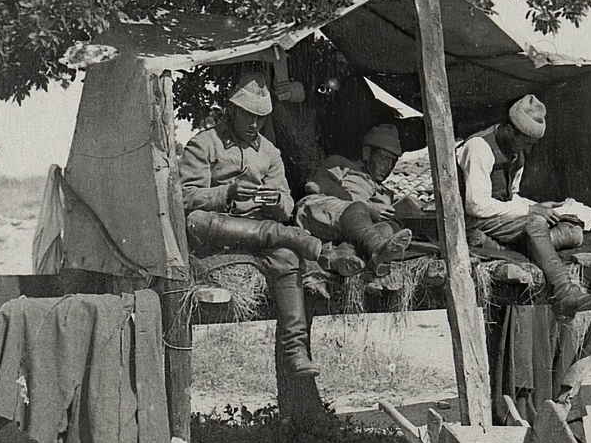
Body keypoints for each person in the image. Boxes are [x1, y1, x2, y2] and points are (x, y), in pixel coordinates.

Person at [179, 69, 324, 376]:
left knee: (286, 257)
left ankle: (296, 349)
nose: (255, 124)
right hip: (216, 231)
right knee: (196, 221)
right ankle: (281, 236)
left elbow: (286, 205)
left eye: (261, 118)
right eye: (248, 115)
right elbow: (185, 198)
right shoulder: (204, 144)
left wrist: (276, 202)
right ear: (232, 109)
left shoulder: (270, 152)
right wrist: (225, 193)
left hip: (260, 235)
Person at [455, 94, 591, 315]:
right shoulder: (479, 147)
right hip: (475, 220)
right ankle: (565, 293)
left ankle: (500, 247)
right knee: (536, 224)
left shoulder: (517, 155)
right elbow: (476, 205)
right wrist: (530, 211)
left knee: (574, 231)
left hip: (499, 219)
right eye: (525, 142)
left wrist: (539, 205)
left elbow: (511, 197)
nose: (528, 150)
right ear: (509, 130)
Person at [295, 123, 417, 275]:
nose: (388, 166)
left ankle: (342, 255)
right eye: (384, 158)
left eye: (393, 161)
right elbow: (314, 185)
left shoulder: (385, 193)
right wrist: (367, 208)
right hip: (318, 213)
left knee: (390, 227)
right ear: (367, 153)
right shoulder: (343, 164)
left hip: (348, 232)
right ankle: (377, 250)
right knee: (359, 209)